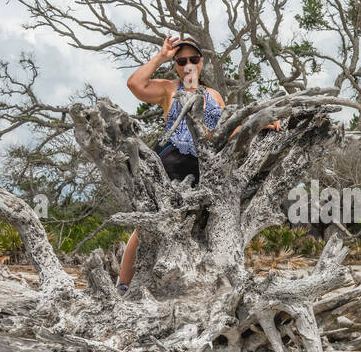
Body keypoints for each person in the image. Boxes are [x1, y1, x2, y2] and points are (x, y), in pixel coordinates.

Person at [115, 34, 276, 294]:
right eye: (181, 61)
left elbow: (227, 129)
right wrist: (161, 57)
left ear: (201, 62)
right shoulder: (169, 89)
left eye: (193, 59)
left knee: (199, 223)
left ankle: (197, 280)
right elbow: (135, 84)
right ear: (176, 65)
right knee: (149, 222)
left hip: (203, 165)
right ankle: (123, 284)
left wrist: (261, 124)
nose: (188, 64)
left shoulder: (213, 94)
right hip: (170, 162)